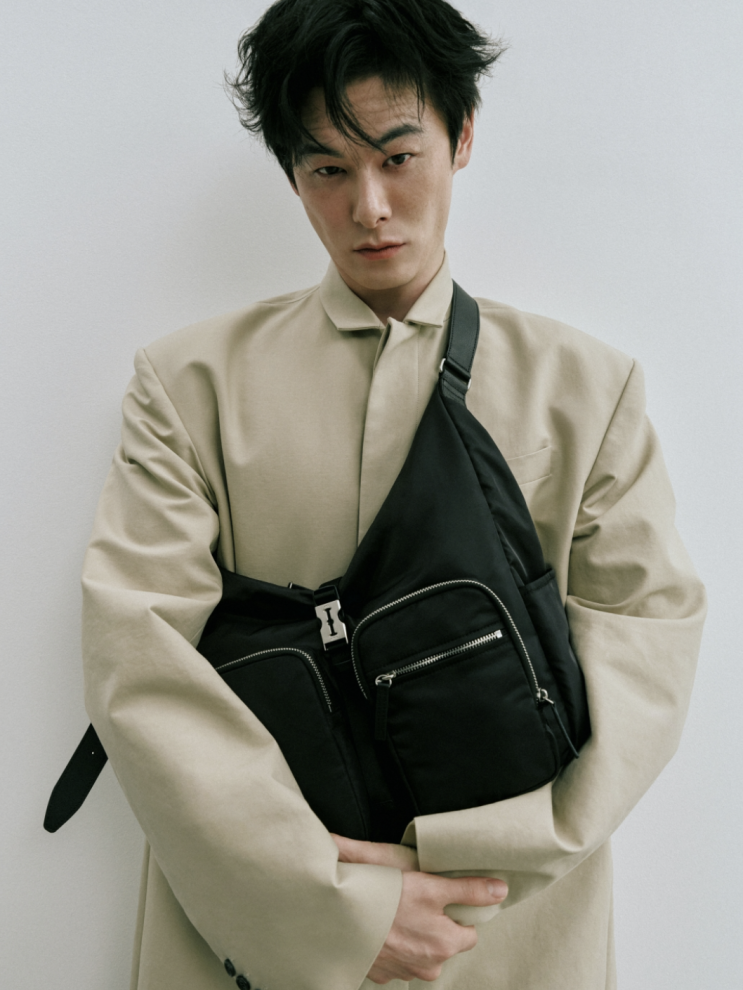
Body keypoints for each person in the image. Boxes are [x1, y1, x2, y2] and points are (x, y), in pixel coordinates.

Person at [79, 1, 706, 988]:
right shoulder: (189, 387)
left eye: (397, 157)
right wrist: (326, 899)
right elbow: (138, 663)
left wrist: (467, 861)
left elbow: (646, 652)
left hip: (507, 937)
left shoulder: (585, 389)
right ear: (292, 175)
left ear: (461, 138)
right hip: (259, 938)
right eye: (327, 169)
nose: (368, 205)